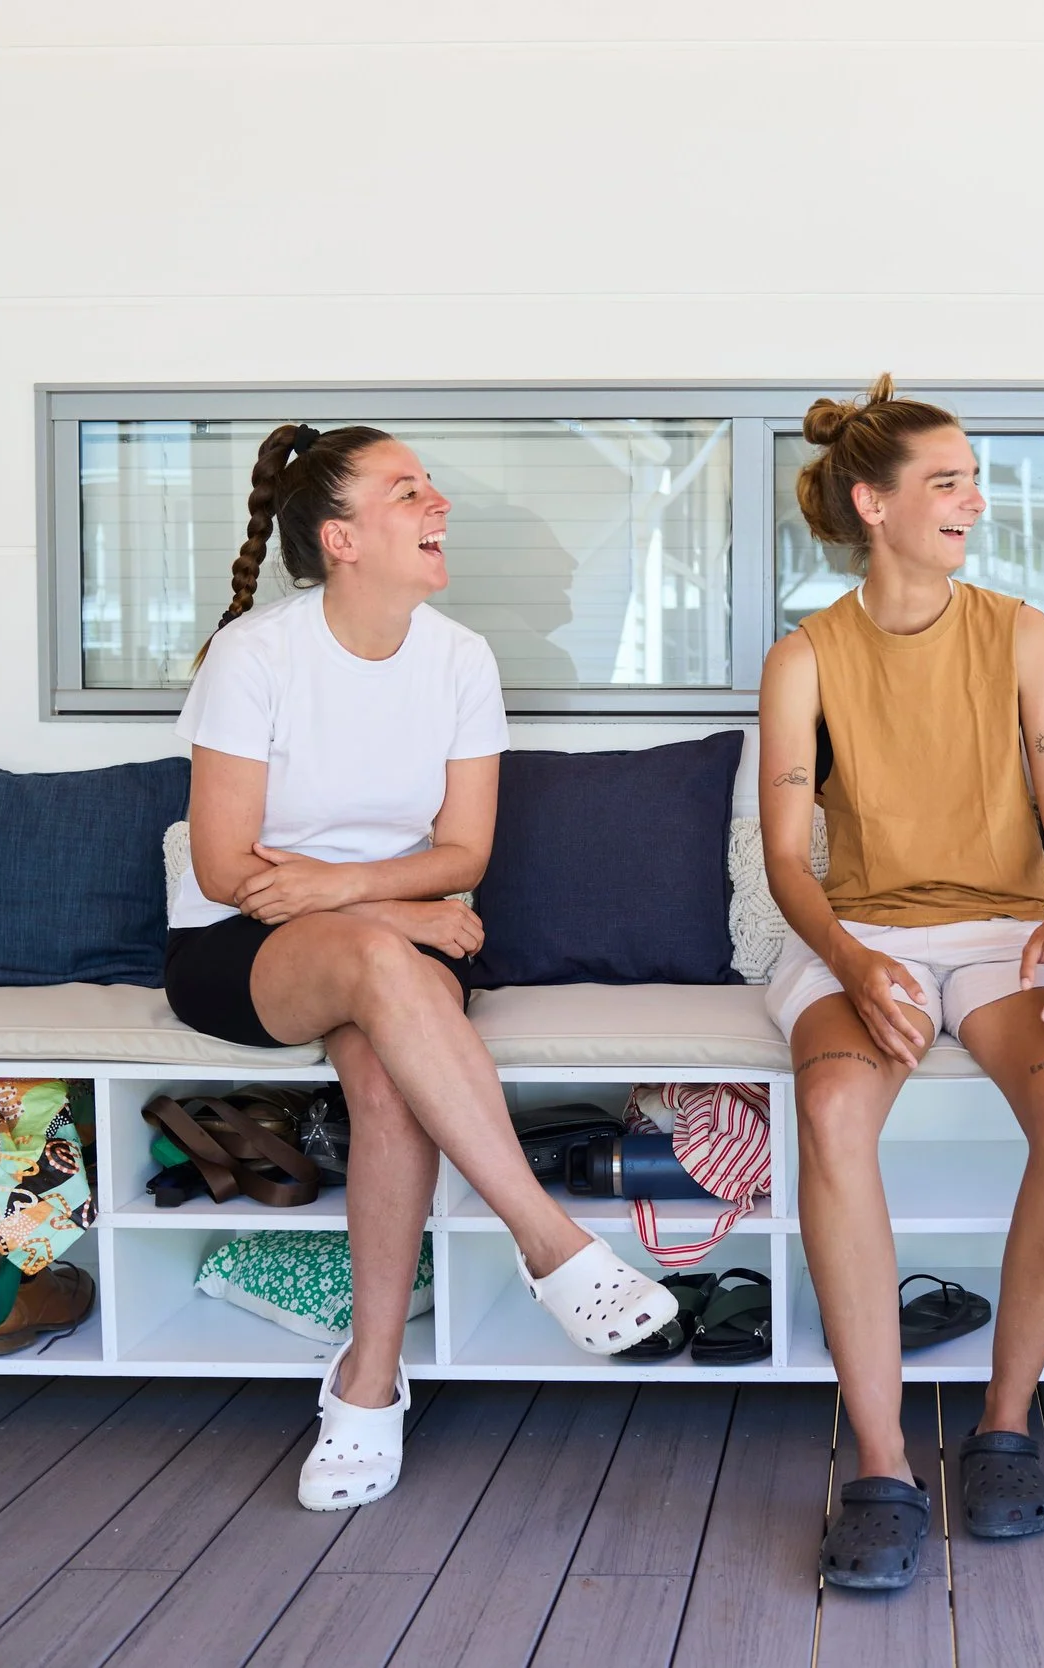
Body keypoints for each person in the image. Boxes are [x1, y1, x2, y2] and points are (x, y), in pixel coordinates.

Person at [166, 423, 675, 1512]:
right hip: (245, 943)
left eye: (431, 486)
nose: (438, 504)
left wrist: (354, 891)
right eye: (409, 492)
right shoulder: (255, 657)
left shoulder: (458, 659)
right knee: (369, 955)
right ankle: (551, 1243)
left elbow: (467, 854)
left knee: (388, 1078)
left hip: (398, 931)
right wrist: (386, 904)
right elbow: (221, 868)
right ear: (341, 537)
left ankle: (366, 1386)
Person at [759, 376, 1044, 1591]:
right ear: (874, 503)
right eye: (947, 480)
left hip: (1010, 929)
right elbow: (784, 861)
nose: (974, 497)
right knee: (831, 1113)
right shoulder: (803, 658)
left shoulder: (1019, 633)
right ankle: (880, 1460)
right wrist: (853, 962)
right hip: (855, 930)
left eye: (973, 475)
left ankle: (1004, 1428)